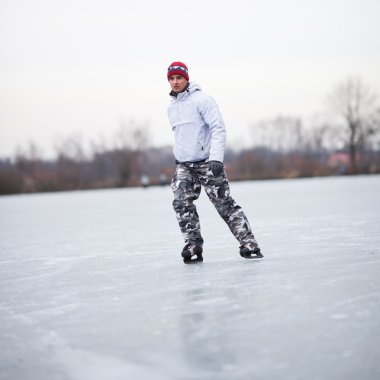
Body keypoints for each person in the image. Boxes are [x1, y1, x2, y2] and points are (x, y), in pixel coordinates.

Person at [167, 61, 263, 264]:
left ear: (186, 78)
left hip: (208, 162)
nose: (175, 82)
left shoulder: (203, 100)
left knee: (224, 204)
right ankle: (193, 244)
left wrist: (216, 158)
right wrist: (179, 157)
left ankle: (248, 242)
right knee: (181, 203)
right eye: (172, 78)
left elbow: (218, 128)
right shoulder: (171, 107)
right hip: (184, 165)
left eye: (179, 78)